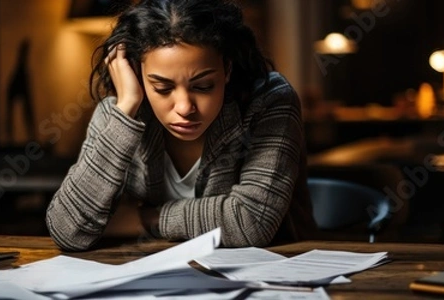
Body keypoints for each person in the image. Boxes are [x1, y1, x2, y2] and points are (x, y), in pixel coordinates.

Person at [46, 0, 310, 251]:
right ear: (138, 75)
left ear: (227, 69)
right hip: (153, 278)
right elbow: (68, 230)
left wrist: (144, 219)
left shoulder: (269, 101)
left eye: (203, 86)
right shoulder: (119, 113)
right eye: (162, 88)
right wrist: (126, 107)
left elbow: (251, 222)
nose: (184, 107)